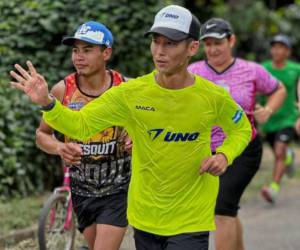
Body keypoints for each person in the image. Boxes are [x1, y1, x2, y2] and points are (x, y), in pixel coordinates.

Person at [10, 5, 252, 250]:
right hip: (145, 217)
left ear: (192, 48)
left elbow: (242, 128)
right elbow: (81, 125)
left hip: (191, 218)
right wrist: (48, 103)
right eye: (156, 42)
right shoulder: (131, 94)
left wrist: (224, 154)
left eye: (170, 44)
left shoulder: (212, 96)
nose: (160, 51)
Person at [188, 18, 286, 250]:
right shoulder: (193, 72)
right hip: (206, 151)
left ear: (231, 41)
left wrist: (269, 110)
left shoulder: (251, 70)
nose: (212, 49)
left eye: (218, 43)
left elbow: (278, 89)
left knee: (222, 207)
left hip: (243, 149)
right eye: (208, 44)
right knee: (228, 208)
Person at [35, 21, 131, 250]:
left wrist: (135, 137)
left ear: (106, 52)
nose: (79, 56)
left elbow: (151, 124)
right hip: (81, 191)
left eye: (87, 50)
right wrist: (59, 148)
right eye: (75, 50)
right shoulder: (63, 90)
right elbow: (42, 134)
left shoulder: (126, 88)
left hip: (118, 189)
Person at [259, 34, 300, 204]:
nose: (276, 50)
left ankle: (273, 188)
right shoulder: (263, 67)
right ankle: (289, 157)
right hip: (269, 120)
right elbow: (258, 91)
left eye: (281, 47)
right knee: (279, 154)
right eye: (274, 47)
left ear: (288, 51)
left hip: (289, 119)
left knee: (279, 151)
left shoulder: (296, 69)